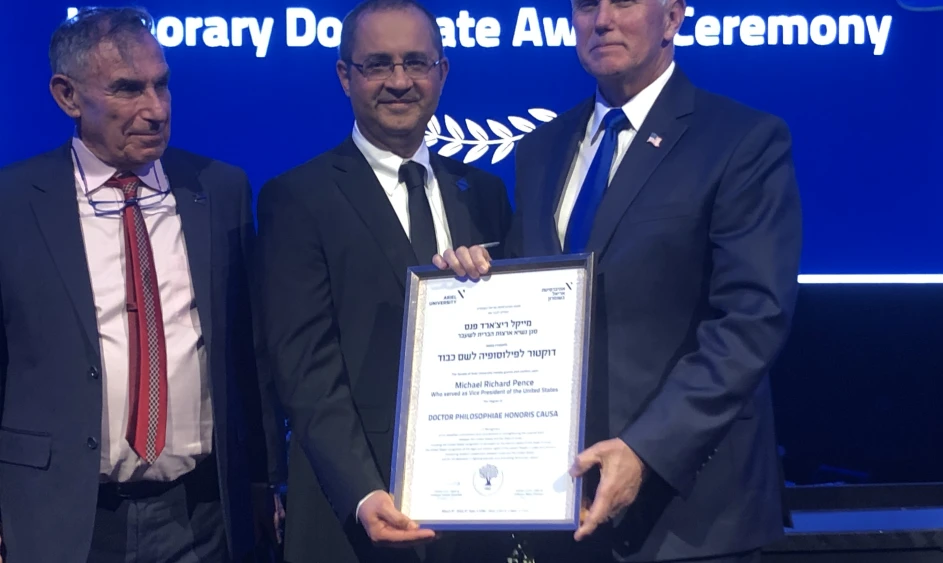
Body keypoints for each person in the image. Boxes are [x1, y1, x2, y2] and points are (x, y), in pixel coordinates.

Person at [436, 0, 802, 561]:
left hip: (691, 517)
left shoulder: (741, 140)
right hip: (562, 506)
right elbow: (535, 292)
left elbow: (752, 320)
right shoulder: (540, 148)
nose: (602, 19)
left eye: (624, 1)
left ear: (673, 18)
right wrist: (475, 277)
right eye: (586, 5)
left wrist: (647, 450)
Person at [0, 7, 284, 562]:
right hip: (59, 516)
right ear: (67, 96)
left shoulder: (220, 188)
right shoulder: (12, 204)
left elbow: (250, 354)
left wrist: (262, 482)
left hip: (201, 517)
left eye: (162, 85)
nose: (155, 110)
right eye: (128, 89)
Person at [254, 1, 513, 562]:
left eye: (416, 62)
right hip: (354, 518)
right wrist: (364, 490)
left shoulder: (485, 194)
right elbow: (304, 369)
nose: (400, 81)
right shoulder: (298, 198)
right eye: (378, 64)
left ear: (442, 72)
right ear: (345, 76)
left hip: (477, 515)